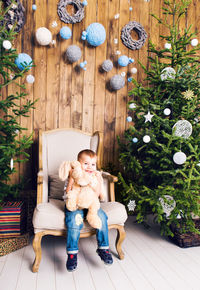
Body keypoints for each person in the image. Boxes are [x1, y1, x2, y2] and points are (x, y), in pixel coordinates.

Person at [65, 149, 113, 271]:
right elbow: (68, 192)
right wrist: (72, 177)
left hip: (91, 204)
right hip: (76, 204)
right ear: (78, 163)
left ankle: (103, 248)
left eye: (93, 164)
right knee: (74, 220)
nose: (89, 167)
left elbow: (97, 194)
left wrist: (98, 180)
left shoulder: (95, 177)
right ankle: (72, 253)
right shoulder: (75, 174)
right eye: (85, 163)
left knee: (101, 217)